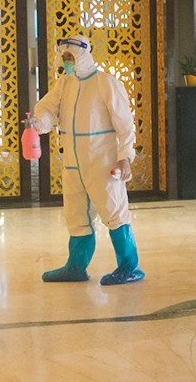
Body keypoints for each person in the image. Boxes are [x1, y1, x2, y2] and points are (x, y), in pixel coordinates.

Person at [30, 34, 145, 286]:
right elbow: (48, 108)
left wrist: (125, 157)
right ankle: (76, 266)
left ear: (82, 54)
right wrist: (40, 122)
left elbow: (125, 124)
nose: (67, 61)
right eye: (64, 57)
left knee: (114, 212)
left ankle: (129, 266)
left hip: (102, 163)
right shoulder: (65, 84)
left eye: (70, 56)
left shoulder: (106, 83)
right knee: (76, 215)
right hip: (73, 163)